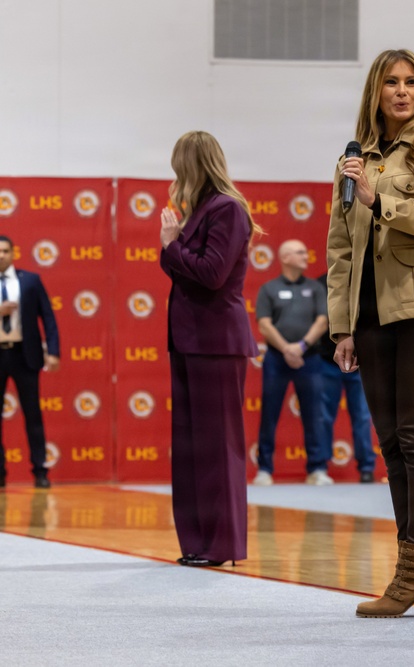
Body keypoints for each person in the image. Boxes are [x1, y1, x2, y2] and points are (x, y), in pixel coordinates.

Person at [328, 48, 414, 618]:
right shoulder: (353, 158)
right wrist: (342, 327)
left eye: (412, 82)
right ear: (376, 91)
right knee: (389, 442)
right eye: (392, 82)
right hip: (370, 315)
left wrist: (377, 198)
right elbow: (340, 249)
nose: (403, 91)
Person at [159, 130, 260, 567]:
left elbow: (213, 273)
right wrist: (178, 241)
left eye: (180, 166)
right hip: (191, 341)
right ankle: (197, 542)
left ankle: (221, 545)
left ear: (194, 165)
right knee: (192, 448)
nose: (176, 175)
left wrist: (171, 244)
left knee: (219, 447)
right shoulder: (202, 210)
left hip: (216, 342)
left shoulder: (227, 209)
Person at [253, 240, 331, 486]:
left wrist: (301, 346)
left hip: (309, 358)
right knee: (269, 414)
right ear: (285, 257)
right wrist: (286, 348)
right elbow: (264, 324)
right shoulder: (269, 288)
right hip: (277, 359)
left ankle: (317, 469)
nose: (305, 255)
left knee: (314, 414)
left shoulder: (315, 288)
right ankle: (264, 469)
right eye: (299, 252)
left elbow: (322, 320)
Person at [0, 235, 60, 489]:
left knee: (33, 415)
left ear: (13, 253)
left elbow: (48, 317)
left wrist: (54, 351)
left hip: (25, 355)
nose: (0, 255)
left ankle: (40, 471)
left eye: (4, 250)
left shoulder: (30, 281)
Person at [314, 272, 376, 484]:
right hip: (326, 359)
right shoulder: (321, 283)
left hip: (362, 362)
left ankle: (366, 468)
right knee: (323, 417)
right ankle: (319, 467)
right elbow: (318, 319)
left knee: (362, 417)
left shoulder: (366, 278)